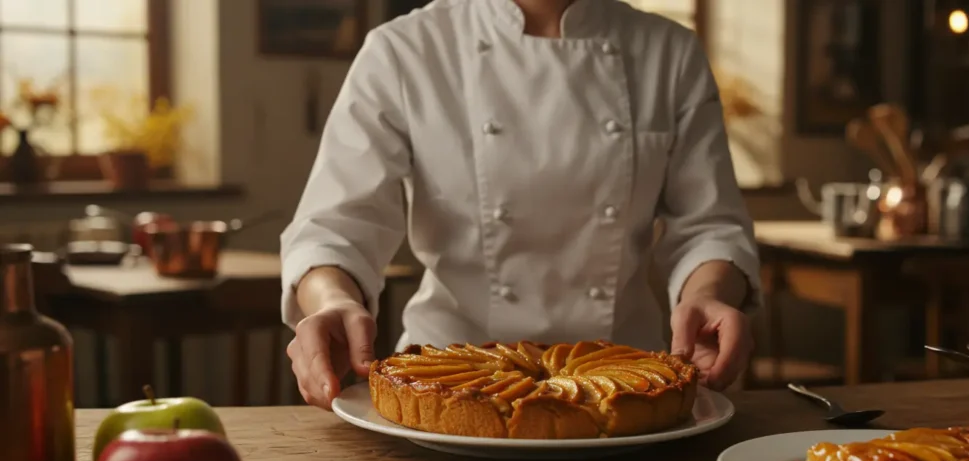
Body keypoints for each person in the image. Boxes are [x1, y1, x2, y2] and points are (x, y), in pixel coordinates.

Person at [281, 0, 761, 411]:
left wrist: (708, 294)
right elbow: (333, 228)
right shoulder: (404, 51)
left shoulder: (669, 54)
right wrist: (332, 302)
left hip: (628, 387)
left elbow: (709, 226)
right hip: (447, 383)